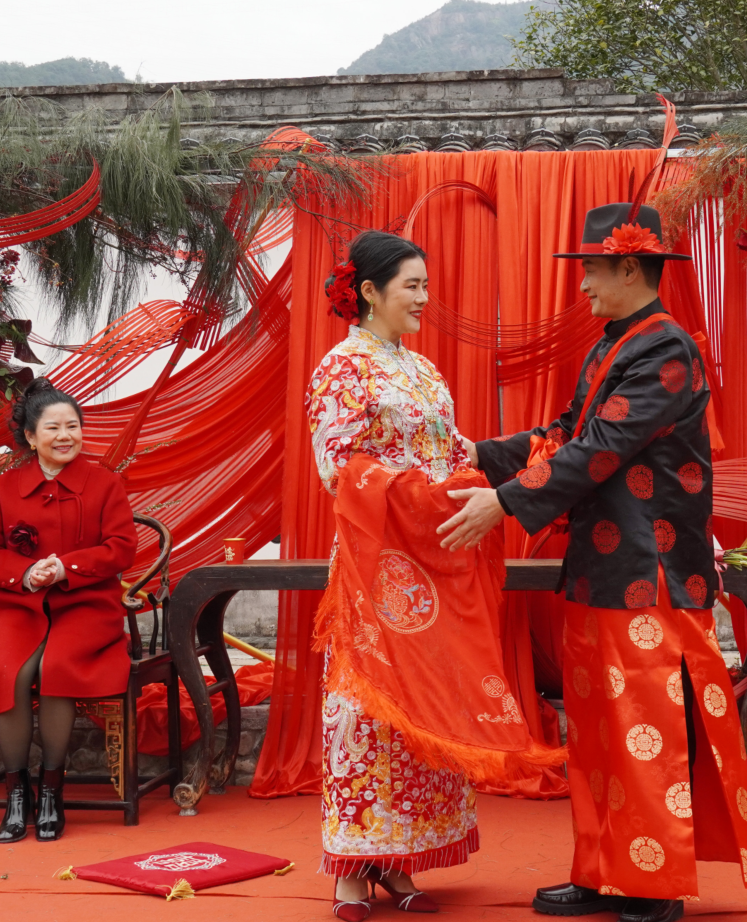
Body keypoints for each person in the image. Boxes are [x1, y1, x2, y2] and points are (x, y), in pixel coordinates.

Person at [438, 204, 747, 922]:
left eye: (590, 269)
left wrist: (504, 500)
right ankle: (601, 868)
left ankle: (653, 883)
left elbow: (600, 449)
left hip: (651, 571)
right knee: (597, 736)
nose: (582, 284)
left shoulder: (667, 349)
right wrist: (477, 454)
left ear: (628, 267)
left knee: (645, 730)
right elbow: (565, 433)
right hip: (603, 568)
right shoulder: (615, 344)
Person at [307, 231, 475, 920]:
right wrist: (414, 494)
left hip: (431, 560)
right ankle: (352, 868)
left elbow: (454, 449)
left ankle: (399, 860)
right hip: (374, 562)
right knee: (363, 710)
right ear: (370, 291)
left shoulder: (425, 371)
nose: (424, 298)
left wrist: (480, 481)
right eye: (413, 286)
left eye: (426, 285)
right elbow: (337, 465)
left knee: (422, 709)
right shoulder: (341, 368)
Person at [0, 378, 138, 844]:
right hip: (21, 606)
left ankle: (51, 791)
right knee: (10, 671)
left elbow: (122, 548)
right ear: (30, 435)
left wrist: (66, 567)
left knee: (57, 666)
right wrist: (24, 572)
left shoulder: (105, 483)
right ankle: (15, 793)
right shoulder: (3, 488)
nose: (66, 436)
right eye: (53, 428)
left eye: (73, 426)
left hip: (87, 604)